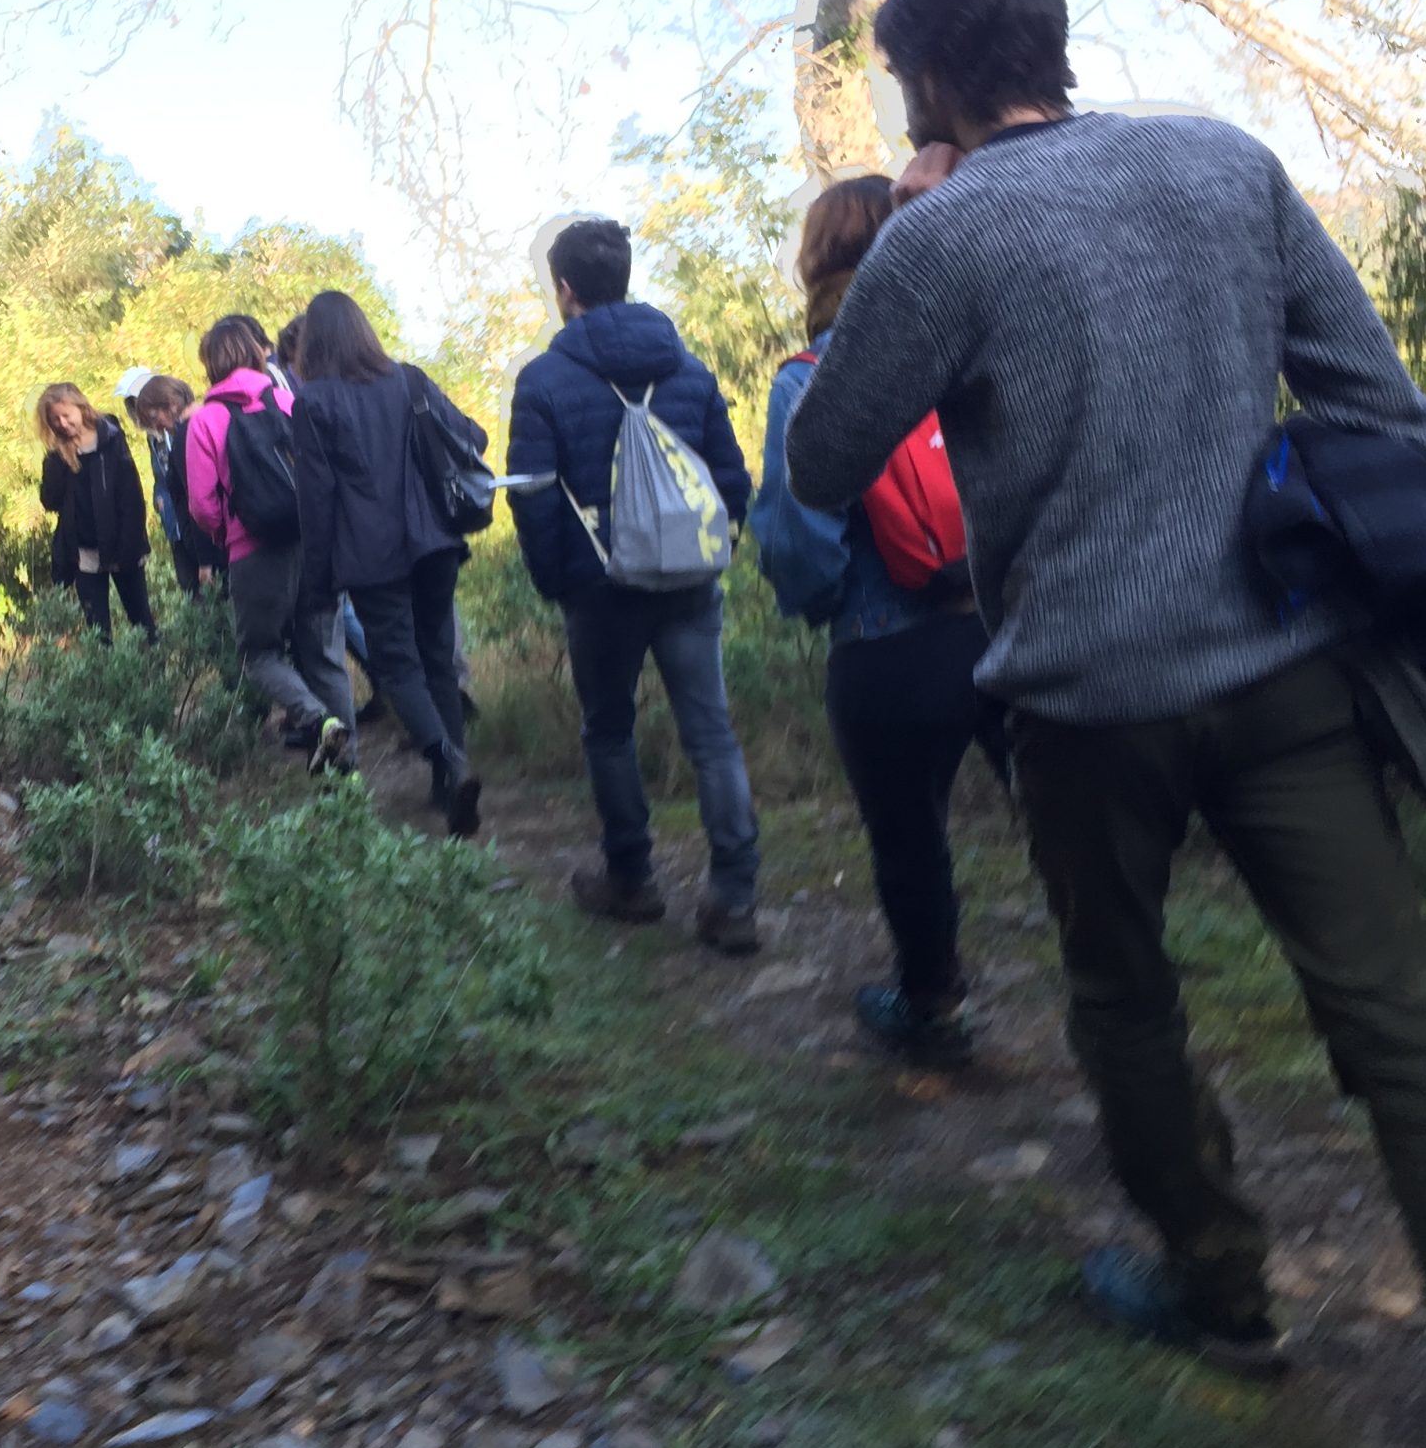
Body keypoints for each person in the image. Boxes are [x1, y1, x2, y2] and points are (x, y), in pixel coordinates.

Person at [783, 0, 1426, 1448]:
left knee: (1125, 996)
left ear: (929, 80)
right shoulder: (1225, 165)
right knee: (1409, 1035)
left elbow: (821, 464)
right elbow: (1382, 411)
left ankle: (1220, 1289)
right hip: (1287, 680)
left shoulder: (944, 237)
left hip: (1084, 705)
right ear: (1057, 43)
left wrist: (925, 244)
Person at [752, 175, 1002, 1066]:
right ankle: (1123, 995)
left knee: (908, 834)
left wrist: (821, 604)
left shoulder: (813, 378)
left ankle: (932, 1005)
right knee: (1062, 819)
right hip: (1004, 628)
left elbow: (801, 542)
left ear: (817, 261)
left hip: (887, 644)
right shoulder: (969, 348)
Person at [506, 216, 763, 953]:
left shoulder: (546, 380)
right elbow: (730, 477)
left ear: (564, 289)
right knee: (711, 734)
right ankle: (735, 899)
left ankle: (632, 879)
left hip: (601, 588)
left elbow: (533, 492)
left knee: (609, 730)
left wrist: (559, 581)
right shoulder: (686, 368)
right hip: (689, 578)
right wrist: (721, 540)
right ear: (622, 277)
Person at [288, 290, 486, 834]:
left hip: (371, 554)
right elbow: (473, 436)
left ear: (313, 344)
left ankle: (450, 762)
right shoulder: (409, 379)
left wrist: (321, 579)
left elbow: (317, 498)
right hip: (434, 542)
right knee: (438, 659)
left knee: (398, 665)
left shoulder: (312, 401)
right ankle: (449, 788)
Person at [185, 317, 354, 771]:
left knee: (258, 654)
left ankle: (316, 718)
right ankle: (346, 772)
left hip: (255, 551)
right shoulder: (287, 399)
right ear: (256, 353)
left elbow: (201, 505)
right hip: (314, 543)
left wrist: (226, 534)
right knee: (324, 655)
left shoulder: (205, 420)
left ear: (211, 364)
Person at [35, 382, 156, 643]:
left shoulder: (111, 438)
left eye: (66, 416)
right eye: (55, 420)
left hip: (124, 547)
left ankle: (159, 674)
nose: (62, 423)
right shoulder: (58, 455)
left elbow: (131, 497)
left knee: (142, 621)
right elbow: (50, 502)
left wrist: (129, 549)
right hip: (84, 553)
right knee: (97, 633)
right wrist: (56, 461)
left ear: (80, 407)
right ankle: (106, 683)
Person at [133, 373, 226, 595]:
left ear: (171, 404)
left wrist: (205, 561)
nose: (158, 427)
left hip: (214, 546)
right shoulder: (213, 415)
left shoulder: (186, 436)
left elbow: (197, 499)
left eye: (155, 417)